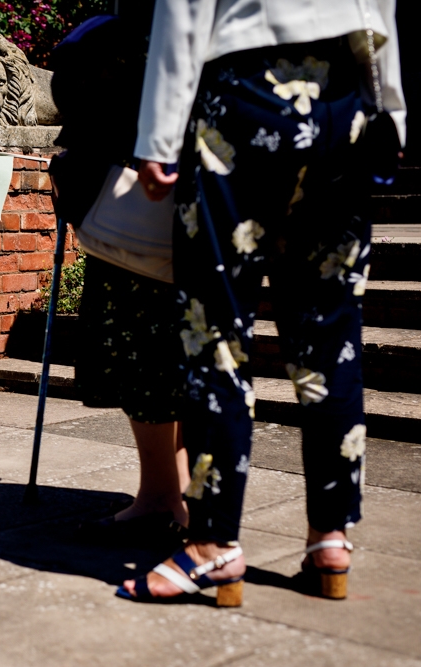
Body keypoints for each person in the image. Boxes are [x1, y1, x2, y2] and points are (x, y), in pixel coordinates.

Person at [119, 0, 405, 606]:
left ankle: (213, 544)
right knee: (333, 335)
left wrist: (158, 138)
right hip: (346, 97)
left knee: (216, 334)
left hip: (245, 94)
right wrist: (393, 110)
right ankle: (330, 537)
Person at [49, 11, 192, 551]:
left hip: (137, 187)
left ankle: (161, 497)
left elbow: (90, 96)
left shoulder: (140, 32)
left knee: (145, 346)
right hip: (206, 173)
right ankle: (178, 493)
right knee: (187, 345)